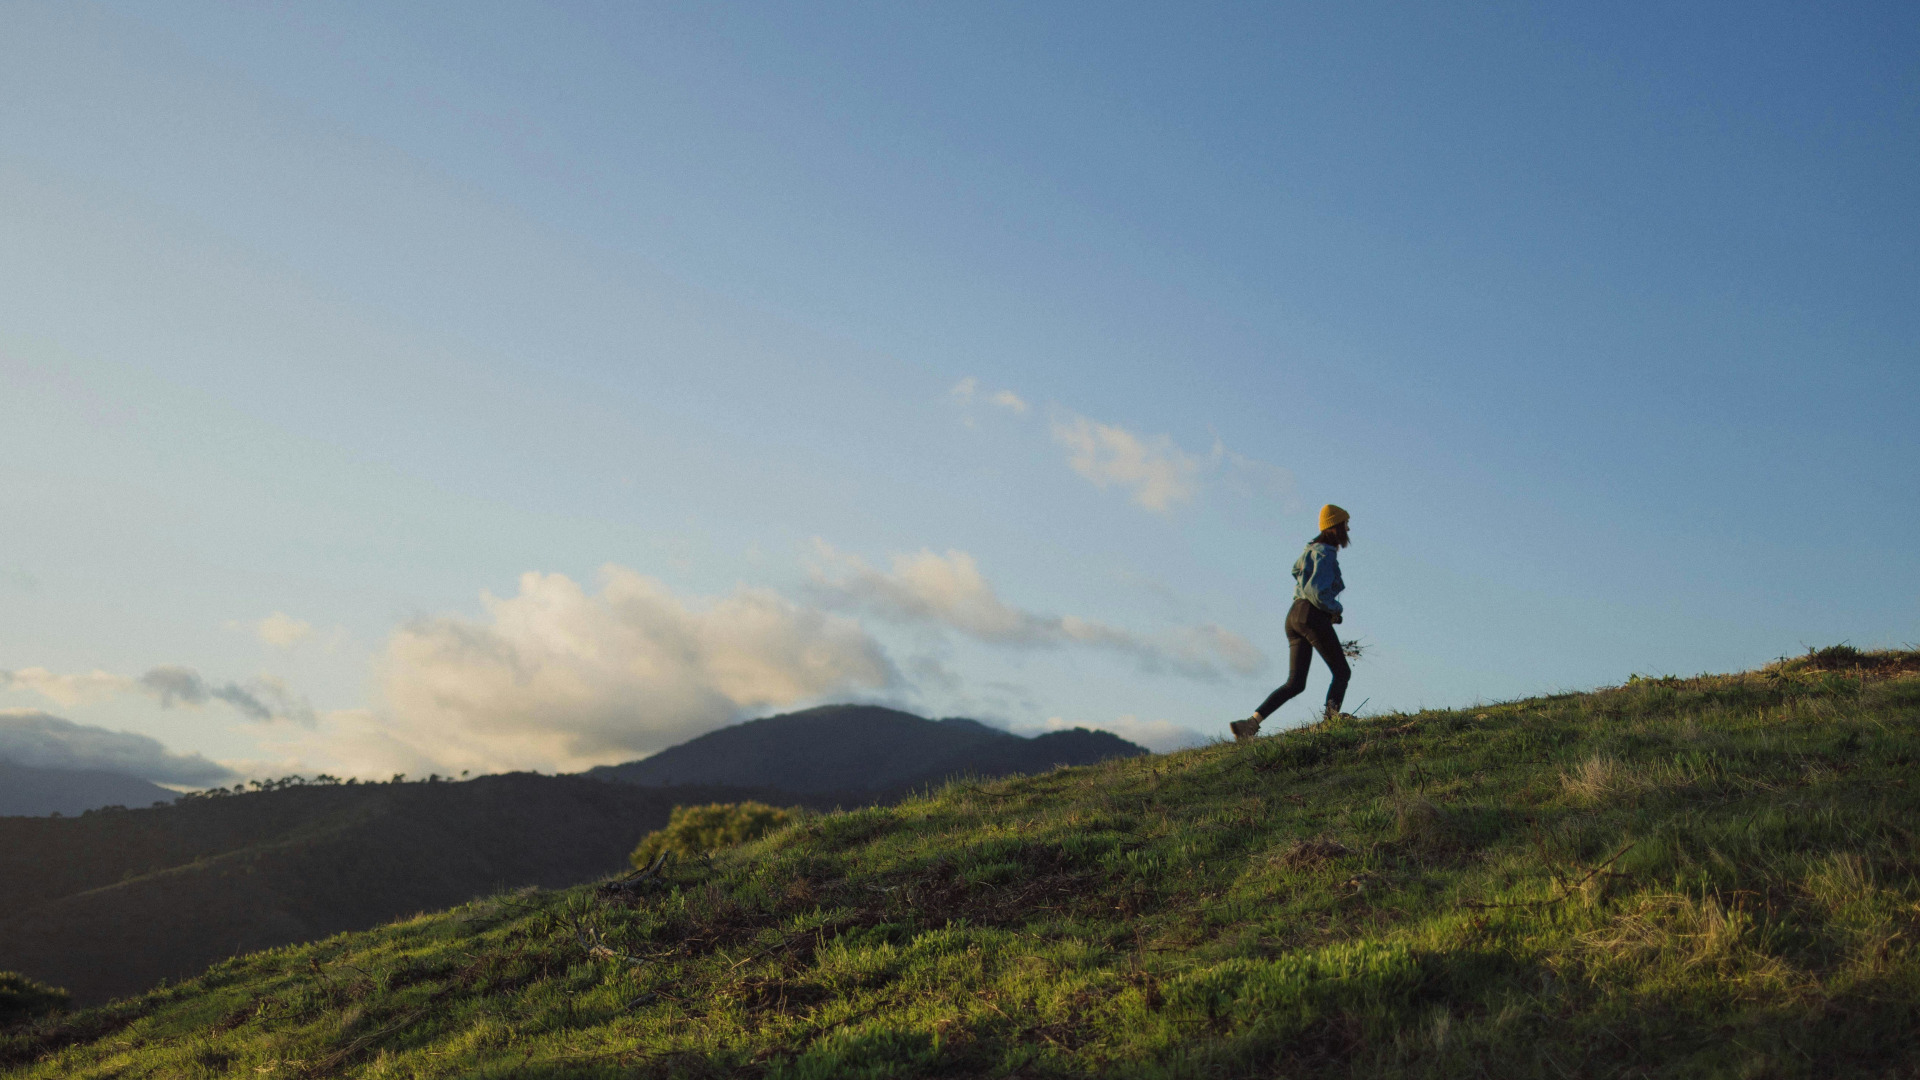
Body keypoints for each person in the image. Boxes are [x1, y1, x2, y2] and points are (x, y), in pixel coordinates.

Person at [1231, 504, 1352, 741]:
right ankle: (1330, 722)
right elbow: (1316, 592)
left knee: (1295, 683)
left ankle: (1250, 724)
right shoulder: (1326, 553)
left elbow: (1297, 574)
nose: (1348, 528)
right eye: (1345, 524)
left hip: (1294, 615)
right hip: (1311, 615)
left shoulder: (1311, 550)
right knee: (1342, 672)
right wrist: (1335, 610)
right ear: (1335, 527)